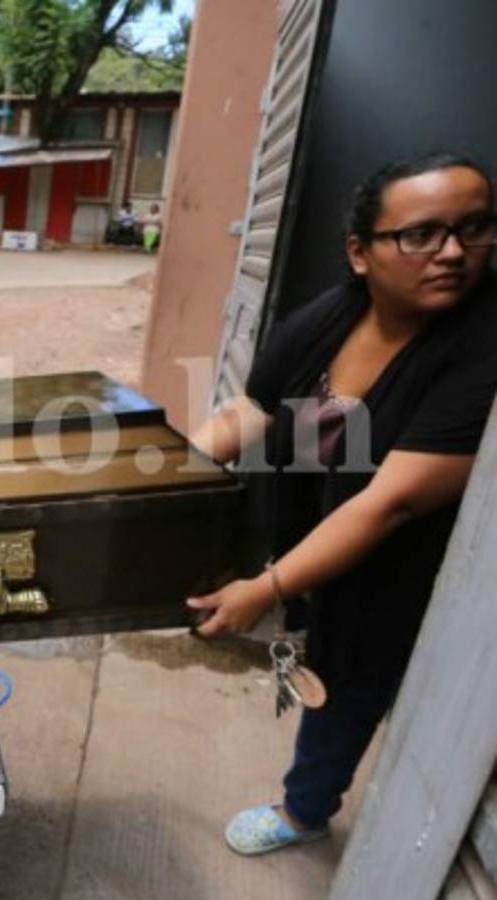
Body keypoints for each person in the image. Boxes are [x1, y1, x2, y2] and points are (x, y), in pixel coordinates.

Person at [186, 154, 497, 855]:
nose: (451, 253)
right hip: (329, 547)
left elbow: (389, 503)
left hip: (420, 575)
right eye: (419, 235)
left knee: (373, 687)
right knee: (332, 670)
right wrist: (174, 485)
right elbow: (250, 408)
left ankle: (317, 815)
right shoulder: (334, 314)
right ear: (360, 253)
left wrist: (263, 589)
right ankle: (310, 801)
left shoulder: (481, 349)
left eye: (473, 228)